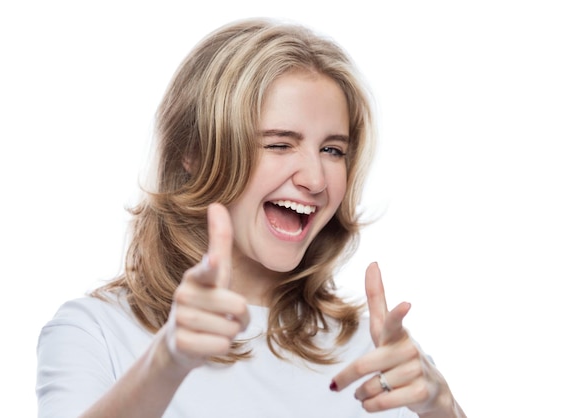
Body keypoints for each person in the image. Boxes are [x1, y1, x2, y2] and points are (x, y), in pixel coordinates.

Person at [36, 18, 466, 418]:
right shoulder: (95, 332)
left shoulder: (371, 350)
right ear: (195, 152)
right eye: (280, 144)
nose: (316, 179)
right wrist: (166, 362)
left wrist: (443, 406)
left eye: (333, 150)